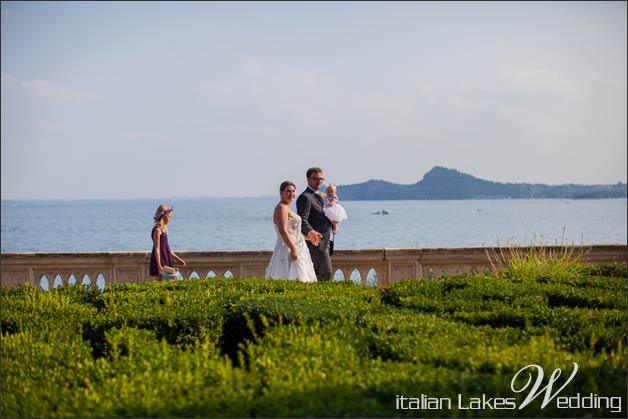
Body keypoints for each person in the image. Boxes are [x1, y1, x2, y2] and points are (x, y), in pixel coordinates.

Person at [265, 181, 317, 283]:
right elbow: (283, 230)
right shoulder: (281, 208)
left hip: (299, 246)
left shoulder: (287, 208)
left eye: (293, 191)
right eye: (288, 191)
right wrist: (293, 249)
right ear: (281, 192)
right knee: (293, 277)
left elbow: (294, 232)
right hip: (287, 248)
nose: (291, 194)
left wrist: (308, 238)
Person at [296, 167, 334, 281]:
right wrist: (311, 232)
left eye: (321, 179)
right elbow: (302, 221)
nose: (319, 181)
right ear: (308, 179)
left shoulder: (322, 196)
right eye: (316, 179)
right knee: (325, 273)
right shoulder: (305, 197)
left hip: (328, 241)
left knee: (321, 275)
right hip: (316, 243)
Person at [149, 204, 186, 280]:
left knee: (168, 281)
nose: (170, 219)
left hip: (166, 258)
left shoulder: (164, 230)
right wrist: (159, 266)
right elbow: (157, 249)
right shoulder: (157, 230)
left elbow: (167, 249)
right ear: (164, 216)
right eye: (169, 217)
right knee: (160, 282)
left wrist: (178, 259)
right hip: (160, 260)